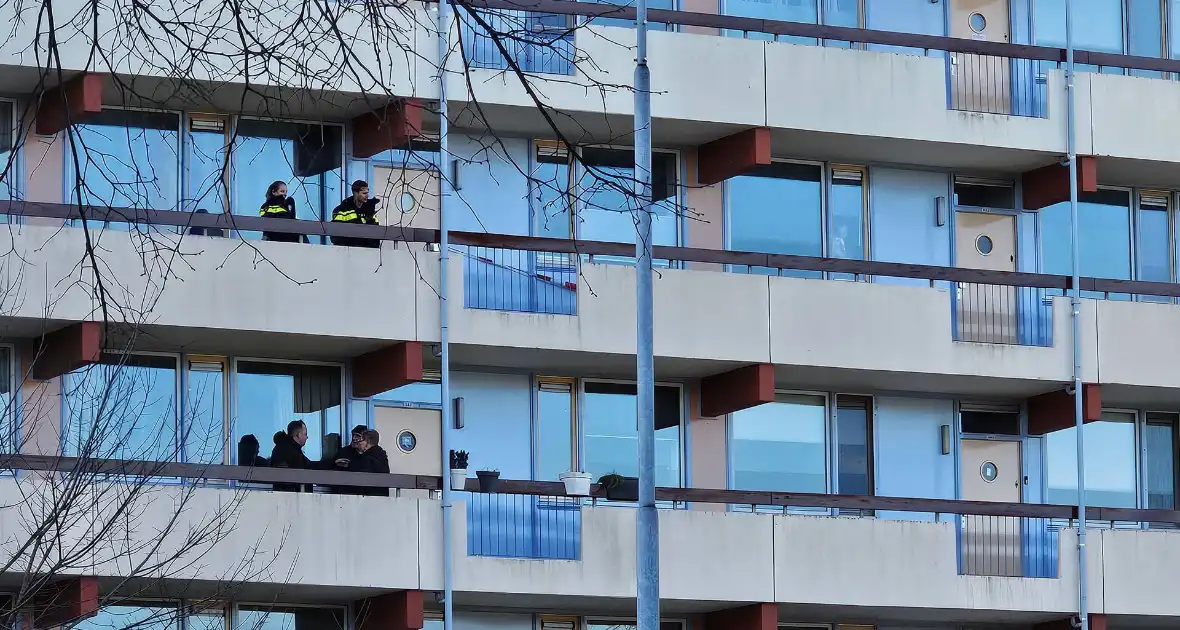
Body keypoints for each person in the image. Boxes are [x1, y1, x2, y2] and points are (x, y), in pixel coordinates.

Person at [330, 180, 381, 248]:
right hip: (349, 251)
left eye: (367, 193)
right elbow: (336, 234)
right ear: (355, 193)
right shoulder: (342, 210)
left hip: (369, 251)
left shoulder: (370, 209)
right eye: (364, 193)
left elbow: (376, 231)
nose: (367, 196)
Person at [270, 420, 312, 492]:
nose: (307, 437)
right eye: (305, 434)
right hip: (289, 497)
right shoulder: (291, 451)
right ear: (298, 435)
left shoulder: (285, 447)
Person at [328, 425, 369, 495]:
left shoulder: (368, 455)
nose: (354, 438)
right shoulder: (344, 452)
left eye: (357, 436)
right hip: (344, 491)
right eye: (353, 435)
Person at [354, 430, 391, 497]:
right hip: (382, 498)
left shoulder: (366, 458)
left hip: (369, 499)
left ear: (367, 442)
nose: (358, 442)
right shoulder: (382, 456)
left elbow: (361, 482)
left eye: (361, 440)